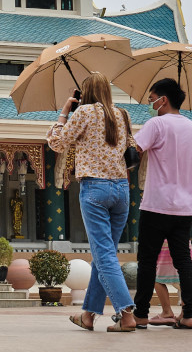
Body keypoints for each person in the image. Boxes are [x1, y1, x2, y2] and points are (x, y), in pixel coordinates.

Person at [46, 72, 139, 332]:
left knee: (104, 255)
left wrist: (64, 112)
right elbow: (132, 147)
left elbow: (58, 143)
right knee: (103, 256)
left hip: (95, 189)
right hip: (121, 189)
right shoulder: (122, 114)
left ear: (85, 94)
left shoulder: (84, 112)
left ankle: (127, 314)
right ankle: (88, 315)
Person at [132, 77, 192, 330]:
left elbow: (134, 150)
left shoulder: (156, 124)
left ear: (163, 99)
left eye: (152, 98)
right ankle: (189, 314)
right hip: (185, 207)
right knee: (183, 260)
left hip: (156, 204)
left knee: (147, 262)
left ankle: (141, 313)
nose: (150, 103)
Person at [148, 241, 184, 326]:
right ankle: (186, 314)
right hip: (183, 243)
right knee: (185, 276)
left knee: (156, 277)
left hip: (166, 245)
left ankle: (167, 311)